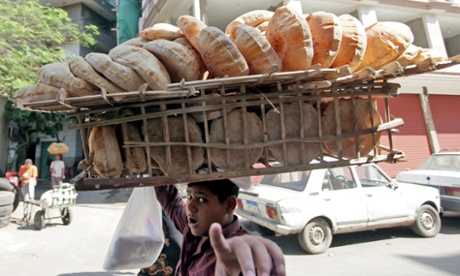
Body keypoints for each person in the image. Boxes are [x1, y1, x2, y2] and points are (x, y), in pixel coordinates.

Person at [154, 179, 285, 276]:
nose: (190, 206)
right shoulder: (193, 230)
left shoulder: (238, 252)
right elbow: (171, 201)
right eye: (189, 196)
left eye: (201, 199)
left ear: (229, 204)